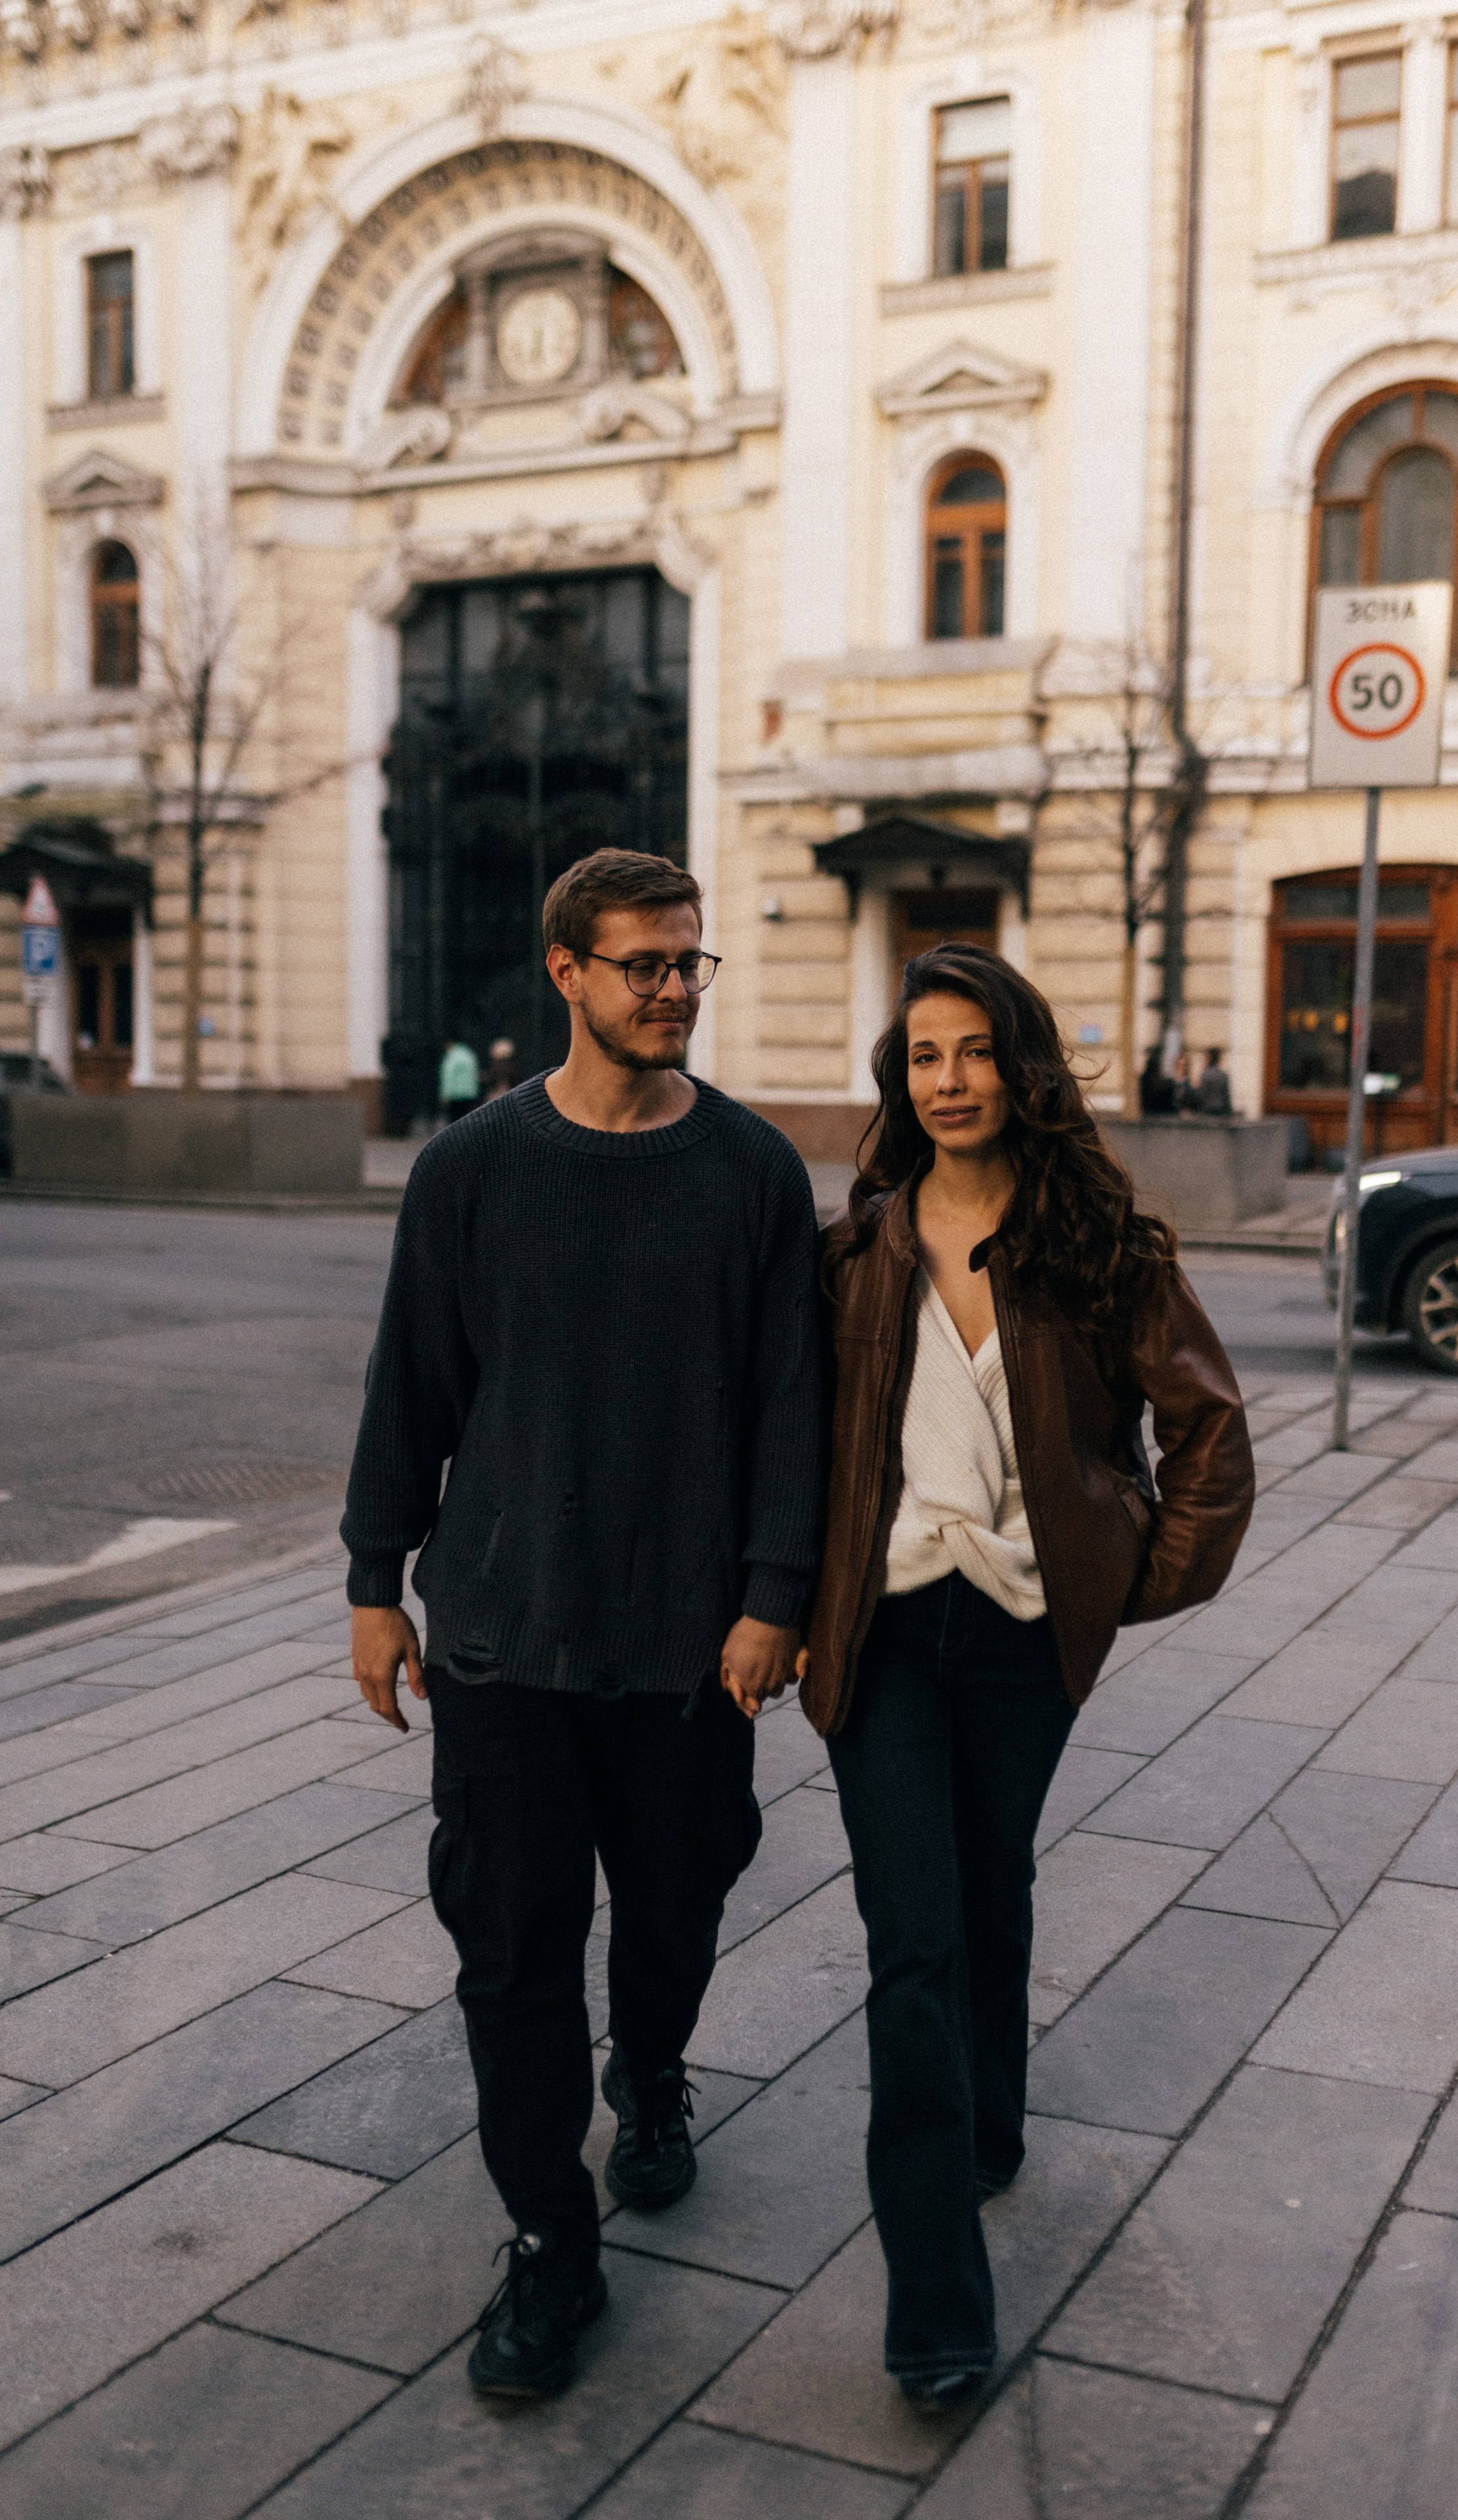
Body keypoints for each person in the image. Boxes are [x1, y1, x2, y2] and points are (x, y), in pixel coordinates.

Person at [344, 848, 825, 2404]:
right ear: (565, 972)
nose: (676, 987)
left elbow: (789, 1409)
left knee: (678, 1907)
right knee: (510, 1948)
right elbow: (410, 1381)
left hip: (689, 1649)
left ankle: (659, 2066)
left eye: (691, 962)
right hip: (503, 1638)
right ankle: (550, 2237)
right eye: (644, 965)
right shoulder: (470, 1169)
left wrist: (772, 1597)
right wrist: (372, 1577)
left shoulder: (751, 1172)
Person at [797, 944, 1253, 2406]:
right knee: (911, 1939)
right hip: (878, 1637)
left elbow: (1208, 1435)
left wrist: (1128, 1580)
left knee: (988, 1885)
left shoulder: (1101, 1242)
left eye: (972, 1052)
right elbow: (791, 1449)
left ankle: (989, 2121)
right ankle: (934, 2298)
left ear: (1020, 1064)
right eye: (921, 1057)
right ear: (899, 1077)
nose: (946, 1081)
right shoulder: (854, 1249)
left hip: (1020, 1638)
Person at [437, 1036, 480, 1124]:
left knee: (455, 1123)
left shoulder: (451, 1057)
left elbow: (448, 1076)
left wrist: (445, 1094)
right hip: (470, 1093)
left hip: (455, 1095)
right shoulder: (469, 1053)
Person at [1194, 1047, 1233, 1116]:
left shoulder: (1205, 1075)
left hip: (1208, 1110)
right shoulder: (1223, 1075)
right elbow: (1227, 1096)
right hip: (1222, 1110)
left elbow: (1201, 1095)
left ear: (1209, 1058)